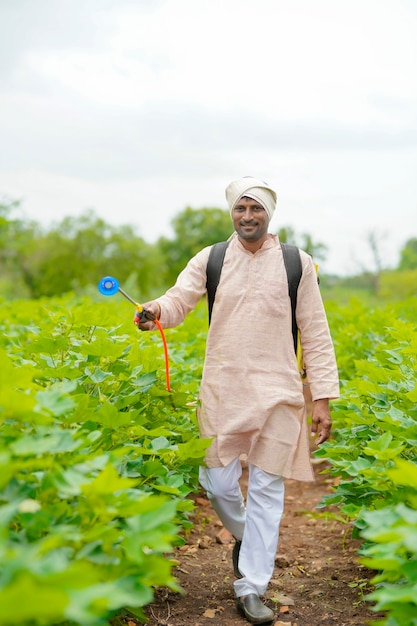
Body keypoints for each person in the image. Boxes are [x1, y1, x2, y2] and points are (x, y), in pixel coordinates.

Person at [136, 176, 340, 624]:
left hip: (280, 388)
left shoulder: (296, 263)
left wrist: (322, 396)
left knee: (268, 488)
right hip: (223, 386)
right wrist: (154, 312)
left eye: (256, 209)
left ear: (269, 213)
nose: (248, 216)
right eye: (241, 209)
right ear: (232, 213)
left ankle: (252, 586)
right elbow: (178, 300)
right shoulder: (211, 257)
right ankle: (252, 540)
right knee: (219, 484)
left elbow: (316, 330)